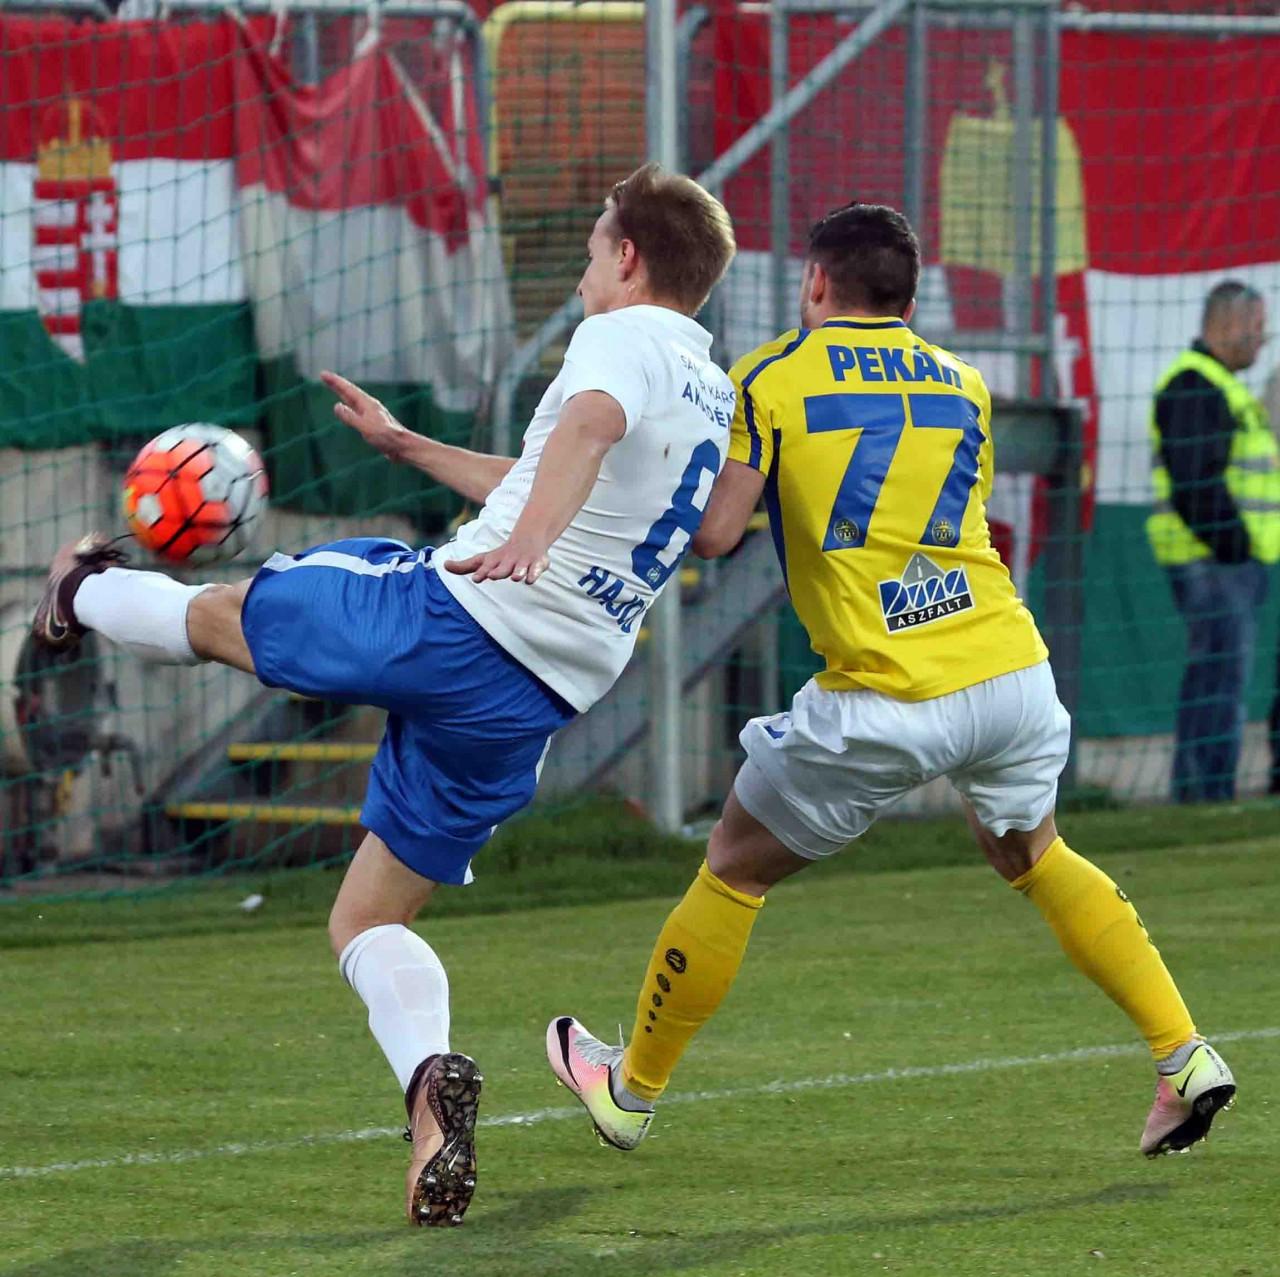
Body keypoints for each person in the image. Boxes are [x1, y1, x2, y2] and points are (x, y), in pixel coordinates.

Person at [31, 163, 737, 1227]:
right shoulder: (705, 382)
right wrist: (412, 448)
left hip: (458, 618)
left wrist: (529, 540)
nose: (585, 268)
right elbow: (564, 470)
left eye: (595, 246)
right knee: (366, 915)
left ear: (628, 257)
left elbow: (585, 430)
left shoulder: (618, 337)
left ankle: (77, 591)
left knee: (228, 616)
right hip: (537, 693)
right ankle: (430, 1094)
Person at [548, 202, 1236, 1163]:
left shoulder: (771, 375)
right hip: (1008, 672)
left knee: (735, 864)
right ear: (908, 302)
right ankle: (1184, 1053)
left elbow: (714, 534)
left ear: (815, 282)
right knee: (1032, 851)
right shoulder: (964, 382)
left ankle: (629, 1090)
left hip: (884, 694)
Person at [1148, 281, 1278, 803]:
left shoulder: (1218, 384)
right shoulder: (1195, 385)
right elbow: (1195, 481)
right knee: (1219, 681)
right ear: (1228, 324)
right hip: (1212, 562)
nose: (1262, 339)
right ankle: (1207, 793)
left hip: (1223, 561)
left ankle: (1201, 792)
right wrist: (1235, 547)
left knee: (1215, 678)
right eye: (1257, 326)